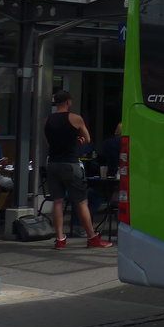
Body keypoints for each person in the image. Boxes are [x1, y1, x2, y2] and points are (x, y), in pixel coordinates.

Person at [44, 91, 112, 249]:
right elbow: (87, 139)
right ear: (68, 102)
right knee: (81, 201)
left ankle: (60, 239)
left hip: (53, 163)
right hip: (70, 163)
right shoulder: (75, 118)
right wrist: (78, 142)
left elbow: (49, 143)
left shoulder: (47, 120)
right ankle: (92, 237)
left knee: (58, 201)